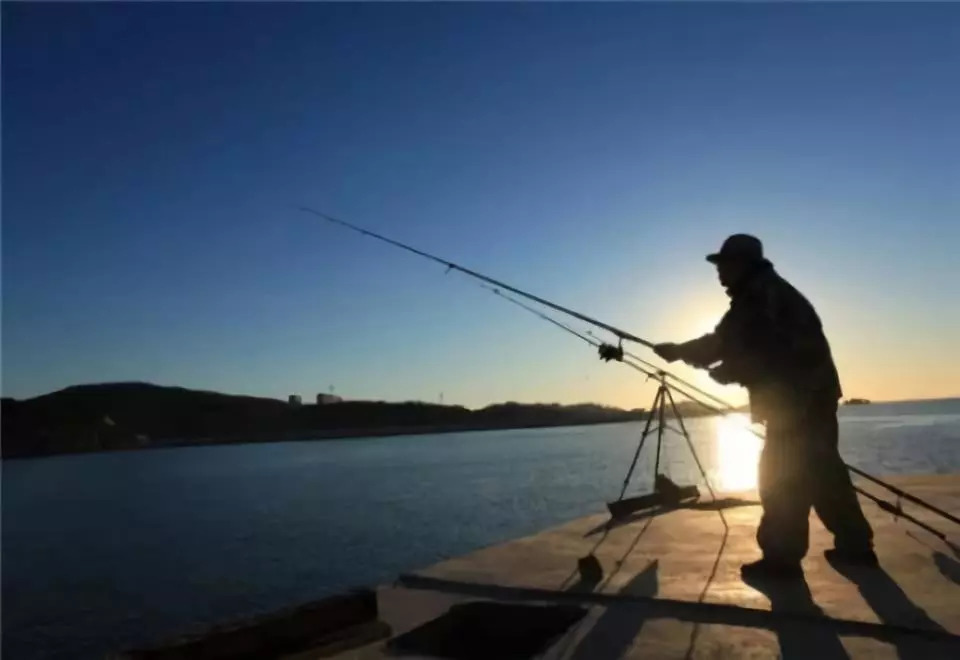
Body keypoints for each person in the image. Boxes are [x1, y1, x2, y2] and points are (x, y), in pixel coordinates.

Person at [652, 234, 876, 580]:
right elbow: (727, 343)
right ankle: (856, 547)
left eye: (724, 265)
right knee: (823, 472)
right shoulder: (762, 294)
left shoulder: (761, 297)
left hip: (797, 400)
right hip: (812, 396)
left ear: (743, 264)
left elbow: (765, 351)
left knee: (780, 476)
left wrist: (730, 369)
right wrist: (681, 351)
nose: (719, 273)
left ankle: (782, 561)